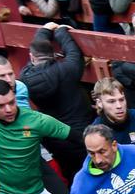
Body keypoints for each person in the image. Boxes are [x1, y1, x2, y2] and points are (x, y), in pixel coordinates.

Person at [19, 21, 94, 181]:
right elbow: (73, 52)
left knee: (72, 177)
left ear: (32, 57)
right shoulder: (67, 69)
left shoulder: (26, 77)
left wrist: (44, 30)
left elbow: (35, 56)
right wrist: (60, 30)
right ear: (53, 54)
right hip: (80, 132)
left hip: (54, 137)